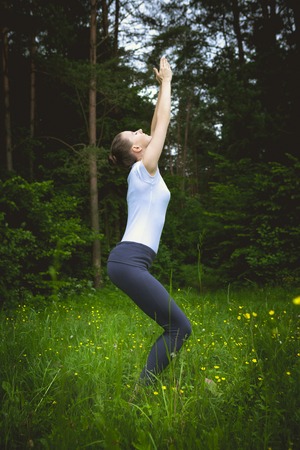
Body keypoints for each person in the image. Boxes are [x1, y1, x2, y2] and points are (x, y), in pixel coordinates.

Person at [107, 57, 191, 387]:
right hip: (129, 262)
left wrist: (160, 87)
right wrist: (168, 81)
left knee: (176, 327)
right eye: (135, 133)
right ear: (138, 149)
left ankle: (143, 389)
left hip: (127, 261)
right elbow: (163, 125)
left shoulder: (143, 172)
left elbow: (156, 126)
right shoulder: (143, 169)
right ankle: (141, 394)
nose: (141, 129)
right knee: (179, 328)